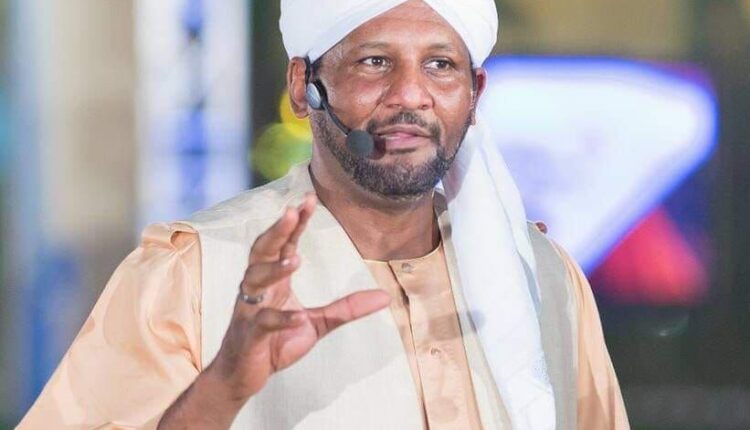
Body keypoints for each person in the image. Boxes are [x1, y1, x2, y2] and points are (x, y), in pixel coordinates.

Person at [20, 0, 629, 428]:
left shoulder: (544, 278)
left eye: (440, 65)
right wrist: (223, 387)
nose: (410, 94)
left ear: (475, 95)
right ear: (303, 85)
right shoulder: (191, 274)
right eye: (374, 62)